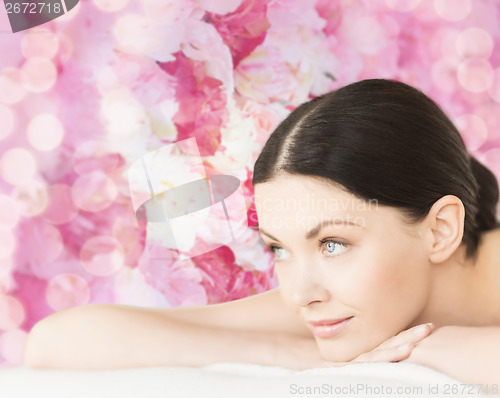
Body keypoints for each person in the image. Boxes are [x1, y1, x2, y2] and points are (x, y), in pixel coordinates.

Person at [23, 79, 500, 390]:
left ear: (440, 230)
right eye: (279, 248)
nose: (298, 294)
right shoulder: (340, 302)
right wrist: (293, 355)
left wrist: (431, 348)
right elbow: (55, 343)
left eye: (332, 243)